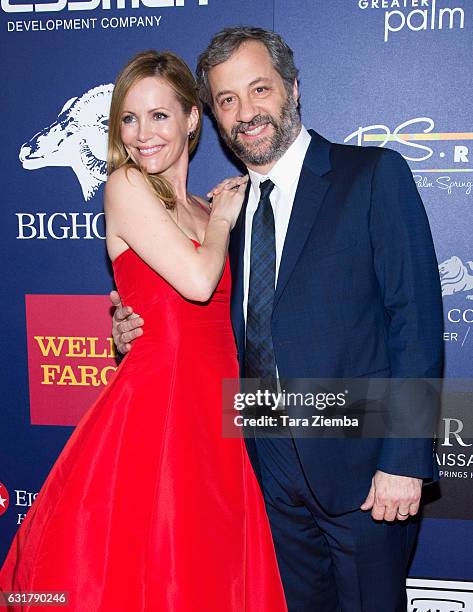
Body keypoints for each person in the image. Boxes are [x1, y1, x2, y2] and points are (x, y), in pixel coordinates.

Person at [112, 28, 444, 611]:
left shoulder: (371, 177)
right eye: (227, 100)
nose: (246, 113)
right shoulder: (223, 212)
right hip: (259, 477)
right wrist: (132, 322)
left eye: (258, 89)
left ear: (292, 87)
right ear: (211, 117)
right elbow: (194, 310)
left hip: (363, 476)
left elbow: (414, 325)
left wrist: (404, 460)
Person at [0, 50, 287, 611]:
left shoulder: (205, 209)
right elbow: (199, 283)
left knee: (209, 572)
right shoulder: (127, 186)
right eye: (128, 118)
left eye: (159, 116)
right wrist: (227, 219)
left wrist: (125, 320)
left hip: (218, 419)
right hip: (158, 417)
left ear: (191, 119)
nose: (142, 133)